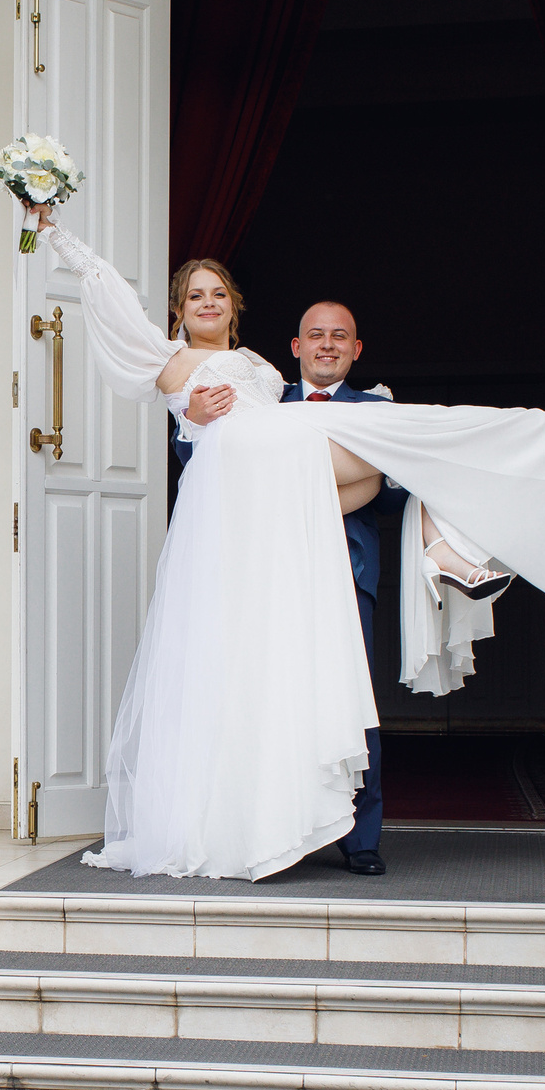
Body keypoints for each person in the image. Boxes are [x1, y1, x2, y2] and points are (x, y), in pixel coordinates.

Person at [31, 208, 545, 880]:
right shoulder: (173, 361)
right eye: (195, 295)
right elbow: (118, 308)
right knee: (407, 438)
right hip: (245, 474)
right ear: (179, 311)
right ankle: (536, 451)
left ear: (233, 307)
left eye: (217, 293)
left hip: (283, 487)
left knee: (405, 448)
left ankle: (461, 529)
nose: (207, 302)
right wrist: (55, 231)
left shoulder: (263, 370)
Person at [175, 300, 397, 874]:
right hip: (268, 574)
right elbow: (201, 458)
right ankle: (277, 826)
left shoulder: (375, 406)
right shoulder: (265, 398)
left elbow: (395, 494)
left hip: (347, 571)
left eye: (340, 337)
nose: (327, 345)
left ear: (356, 349)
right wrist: (194, 418)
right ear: (295, 348)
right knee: (273, 699)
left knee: (352, 700)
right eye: (315, 336)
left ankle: (361, 837)